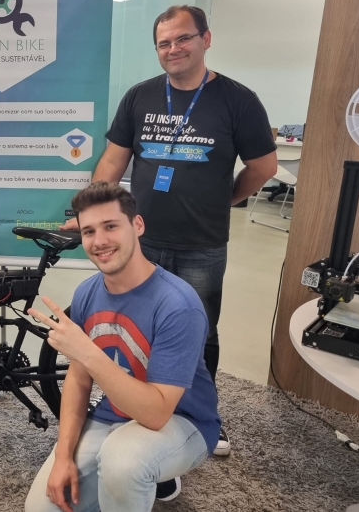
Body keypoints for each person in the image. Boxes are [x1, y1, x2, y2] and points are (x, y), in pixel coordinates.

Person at [61, 5, 277, 456]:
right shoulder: (140, 97)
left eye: (183, 39)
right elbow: (114, 161)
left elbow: (262, 167)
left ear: (205, 39)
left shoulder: (239, 100)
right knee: (136, 329)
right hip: (141, 239)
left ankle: (201, 419)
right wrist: (89, 213)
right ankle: (138, 405)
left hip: (202, 243)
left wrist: (229, 198)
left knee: (200, 333)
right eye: (164, 42)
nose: (173, 49)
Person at [26, 181, 221, 512]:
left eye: (111, 226)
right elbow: (79, 379)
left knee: (123, 463)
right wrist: (63, 456)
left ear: (137, 225)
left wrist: (84, 350)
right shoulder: (87, 292)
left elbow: (157, 414)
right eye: (88, 232)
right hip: (112, 415)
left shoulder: (178, 305)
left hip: (182, 420)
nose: (99, 241)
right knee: (42, 508)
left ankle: (151, 468)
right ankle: (152, 474)